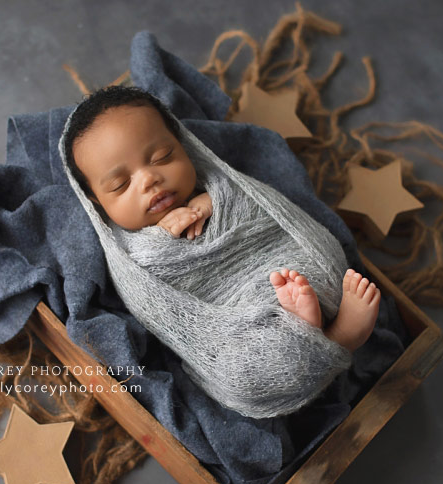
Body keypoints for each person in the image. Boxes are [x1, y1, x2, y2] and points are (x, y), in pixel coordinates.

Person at [64, 86, 380, 355]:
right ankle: (335, 336)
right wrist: (159, 242)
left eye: (162, 157)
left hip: (275, 268)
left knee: (303, 270)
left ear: (183, 144)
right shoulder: (128, 253)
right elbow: (160, 309)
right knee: (247, 360)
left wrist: (215, 200)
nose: (149, 179)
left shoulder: (214, 183)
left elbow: (261, 206)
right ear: (95, 200)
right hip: (232, 320)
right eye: (120, 185)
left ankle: (310, 327)